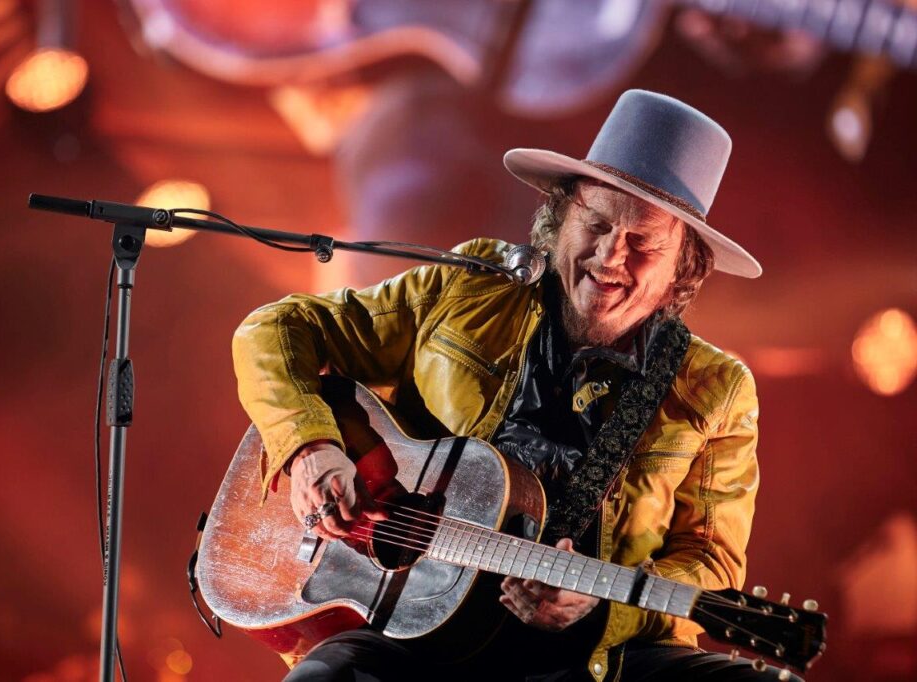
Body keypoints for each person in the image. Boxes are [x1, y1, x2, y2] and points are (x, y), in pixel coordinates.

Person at [232, 90, 795, 681]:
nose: (610, 256)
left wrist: (601, 606)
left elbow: (711, 565)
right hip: (409, 631)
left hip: (596, 659)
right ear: (560, 218)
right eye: (597, 224)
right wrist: (309, 446)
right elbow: (277, 328)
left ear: (683, 264)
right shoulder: (470, 288)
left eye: (643, 244)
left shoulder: (716, 388)